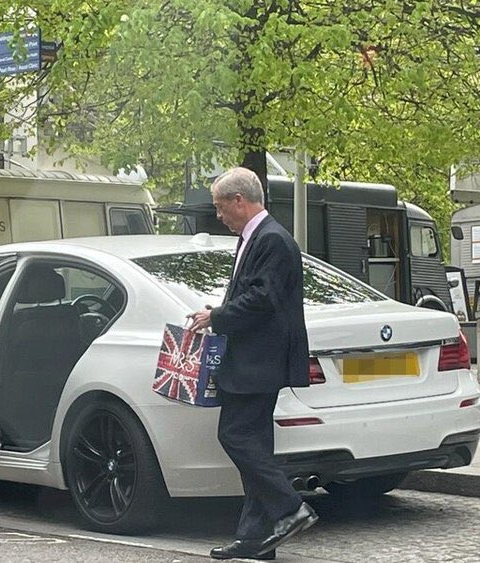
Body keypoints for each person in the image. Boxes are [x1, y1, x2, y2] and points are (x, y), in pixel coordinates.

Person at [188, 167, 317, 560]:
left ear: (239, 201)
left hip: (258, 360)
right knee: (255, 443)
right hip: (252, 357)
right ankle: (256, 539)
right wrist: (221, 312)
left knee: (235, 436)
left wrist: (217, 316)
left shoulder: (273, 240)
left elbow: (262, 299)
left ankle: (290, 507)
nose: (219, 215)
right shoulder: (257, 238)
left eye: (220, 207)